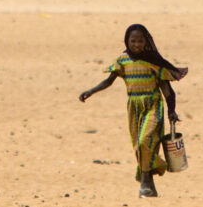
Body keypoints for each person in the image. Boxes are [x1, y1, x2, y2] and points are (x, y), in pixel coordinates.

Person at [78, 23, 187, 197]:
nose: (136, 44)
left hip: (153, 105)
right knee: (139, 146)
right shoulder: (122, 60)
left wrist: (171, 111)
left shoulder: (153, 61)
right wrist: (90, 91)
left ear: (146, 41)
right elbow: (109, 81)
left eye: (140, 41)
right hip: (134, 108)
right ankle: (149, 182)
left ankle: (144, 181)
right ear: (127, 41)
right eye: (133, 41)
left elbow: (166, 89)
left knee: (145, 141)